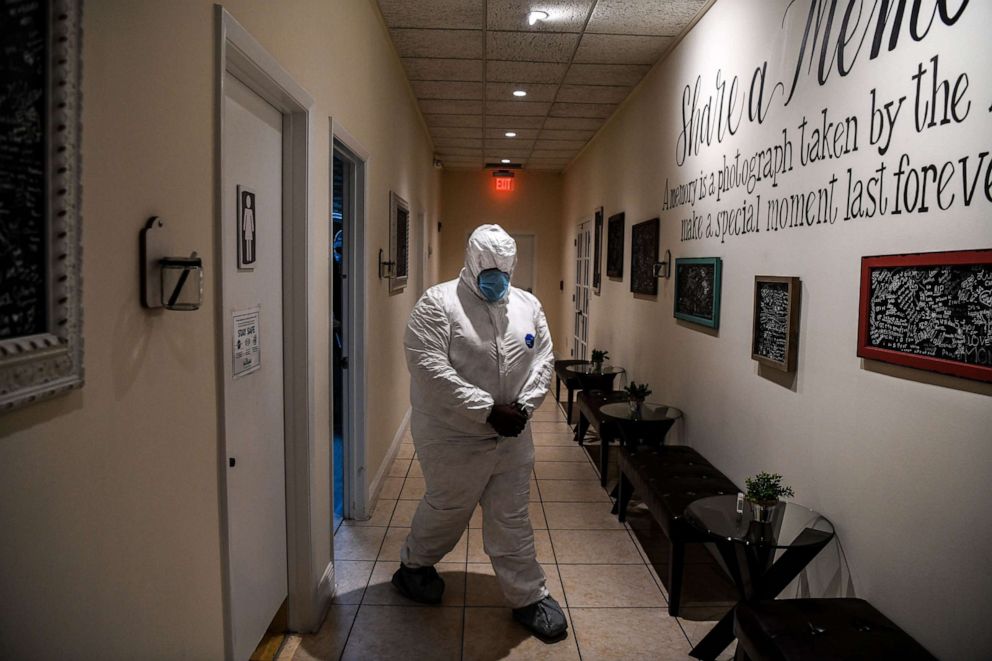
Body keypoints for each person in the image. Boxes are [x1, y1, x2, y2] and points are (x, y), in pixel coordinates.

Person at [393, 224, 566, 642]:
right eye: (488, 267)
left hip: (512, 433)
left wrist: (524, 406)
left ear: (513, 265)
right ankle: (414, 566)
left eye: (503, 268)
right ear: (471, 261)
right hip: (451, 434)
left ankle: (529, 596)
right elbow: (429, 368)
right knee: (449, 507)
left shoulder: (527, 305)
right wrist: (487, 409)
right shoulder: (437, 304)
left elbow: (543, 359)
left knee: (511, 515)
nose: (496, 276)